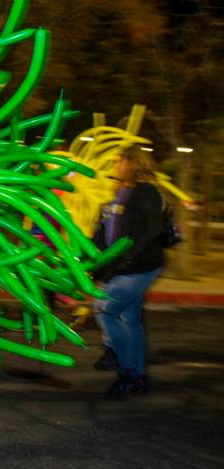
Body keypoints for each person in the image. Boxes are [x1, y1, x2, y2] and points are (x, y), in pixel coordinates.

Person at [93, 146, 165, 398]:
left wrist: (131, 255)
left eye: (120, 161)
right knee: (131, 321)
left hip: (139, 266)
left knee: (105, 310)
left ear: (132, 163)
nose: (117, 166)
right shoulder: (123, 194)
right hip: (127, 266)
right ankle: (137, 377)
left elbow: (154, 227)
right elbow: (107, 234)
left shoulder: (144, 191)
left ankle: (127, 372)